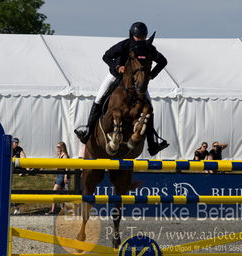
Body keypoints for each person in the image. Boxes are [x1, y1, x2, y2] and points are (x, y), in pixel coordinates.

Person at [74, 22, 169, 156]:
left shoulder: (148, 48)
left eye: (143, 36)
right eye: (139, 36)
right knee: (99, 98)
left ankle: (152, 143)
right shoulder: (124, 45)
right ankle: (88, 131)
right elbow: (106, 56)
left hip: (137, 83)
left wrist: (152, 74)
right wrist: (117, 66)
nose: (141, 39)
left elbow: (163, 61)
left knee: (149, 108)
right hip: (115, 77)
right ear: (132, 35)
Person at [46, 141, 70, 215]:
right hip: (59, 175)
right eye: (57, 147)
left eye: (58, 147)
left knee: (54, 192)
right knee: (61, 194)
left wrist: (66, 176)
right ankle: (62, 209)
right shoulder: (59, 155)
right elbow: (57, 167)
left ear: (62, 147)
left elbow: (67, 167)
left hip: (62, 175)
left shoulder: (65, 156)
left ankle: (53, 210)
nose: (57, 148)